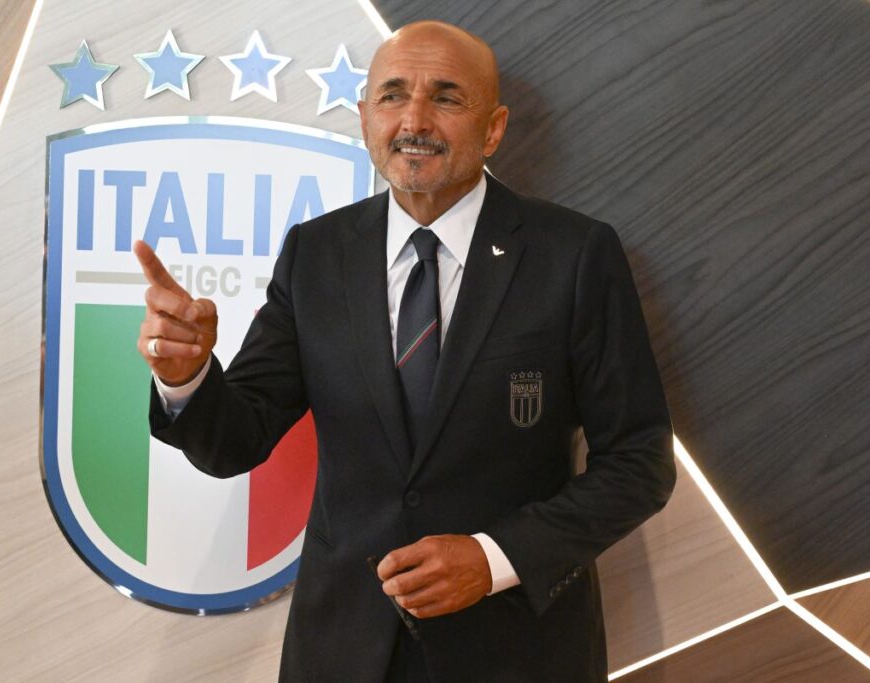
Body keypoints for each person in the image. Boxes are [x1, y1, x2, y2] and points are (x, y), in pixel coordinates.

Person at [135, 20, 675, 683]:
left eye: (446, 97)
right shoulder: (315, 254)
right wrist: (187, 377)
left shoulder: (574, 254)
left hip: (517, 652)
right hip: (341, 652)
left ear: (493, 129)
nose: (414, 120)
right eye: (393, 95)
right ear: (366, 118)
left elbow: (640, 463)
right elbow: (234, 441)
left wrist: (494, 558)